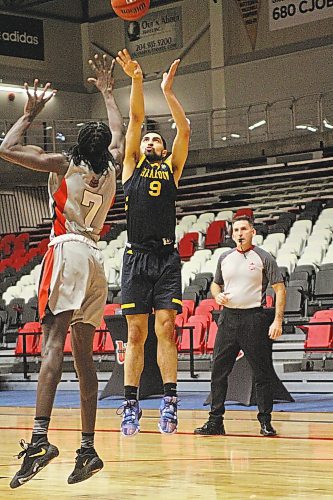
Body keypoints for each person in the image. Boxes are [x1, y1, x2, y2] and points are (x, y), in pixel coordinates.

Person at [0, 54, 125, 487]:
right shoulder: (111, 168)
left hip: (69, 250)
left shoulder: (64, 165)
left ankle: (39, 438)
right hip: (96, 259)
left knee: (52, 345)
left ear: (76, 146)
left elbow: (7, 149)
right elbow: (121, 134)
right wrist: (110, 93)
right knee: (85, 355)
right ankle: (88, 447)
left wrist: (28, 114)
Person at [115, 48, 190, 436]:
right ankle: (130, 403)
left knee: (166, 328)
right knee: (135, 333)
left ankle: (170, 399)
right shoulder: (131, 165)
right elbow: (136, 118)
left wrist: (168, 90)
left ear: (163, 149)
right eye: (147, 140)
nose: (150, 141)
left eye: (156, 140)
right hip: (136, 256)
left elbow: (185, 130)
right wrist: (137, 80)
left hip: (165, 257)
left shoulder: (171, 168)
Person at [194, 215, 286, 437]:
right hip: (228, 319)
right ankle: (215, 421)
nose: (240, 233)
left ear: (252, 232)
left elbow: (280, 289)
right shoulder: (225, 257)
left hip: (254, 318)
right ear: (232, 234)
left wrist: (278, 320)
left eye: (244, 229)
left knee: (261, 373)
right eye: (236, 230)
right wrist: (217, 296)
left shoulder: (264, 257)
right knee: (218, 372)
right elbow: (216, 285)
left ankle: (265, 421)